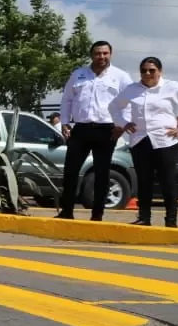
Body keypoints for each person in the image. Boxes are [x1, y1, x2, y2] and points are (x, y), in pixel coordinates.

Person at [55, 40, 132, 221]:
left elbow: (130, 103)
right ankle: (67, 212)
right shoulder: (78, 74)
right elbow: (67, 100)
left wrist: (121, 126)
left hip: (107, 130)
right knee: (70, 172)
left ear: (110, 55)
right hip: (81, 129)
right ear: (92, 55)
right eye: (98, 53)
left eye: (105, 53)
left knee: (102, 174)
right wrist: (65, 123)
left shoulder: (120, 76)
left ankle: (97, 215)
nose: (101, 57)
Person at [108, 56, 178, 227]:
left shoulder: (173, 87)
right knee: (144, 180)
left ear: (160, 71)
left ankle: (170, 220)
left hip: (165, 141)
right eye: (143, 70)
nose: (147, 73)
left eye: (152, 70)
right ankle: (144, 217)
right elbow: (114, 107)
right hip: (140, 140)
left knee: (168, 181)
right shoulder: (132, 89)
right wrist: (124, 123)